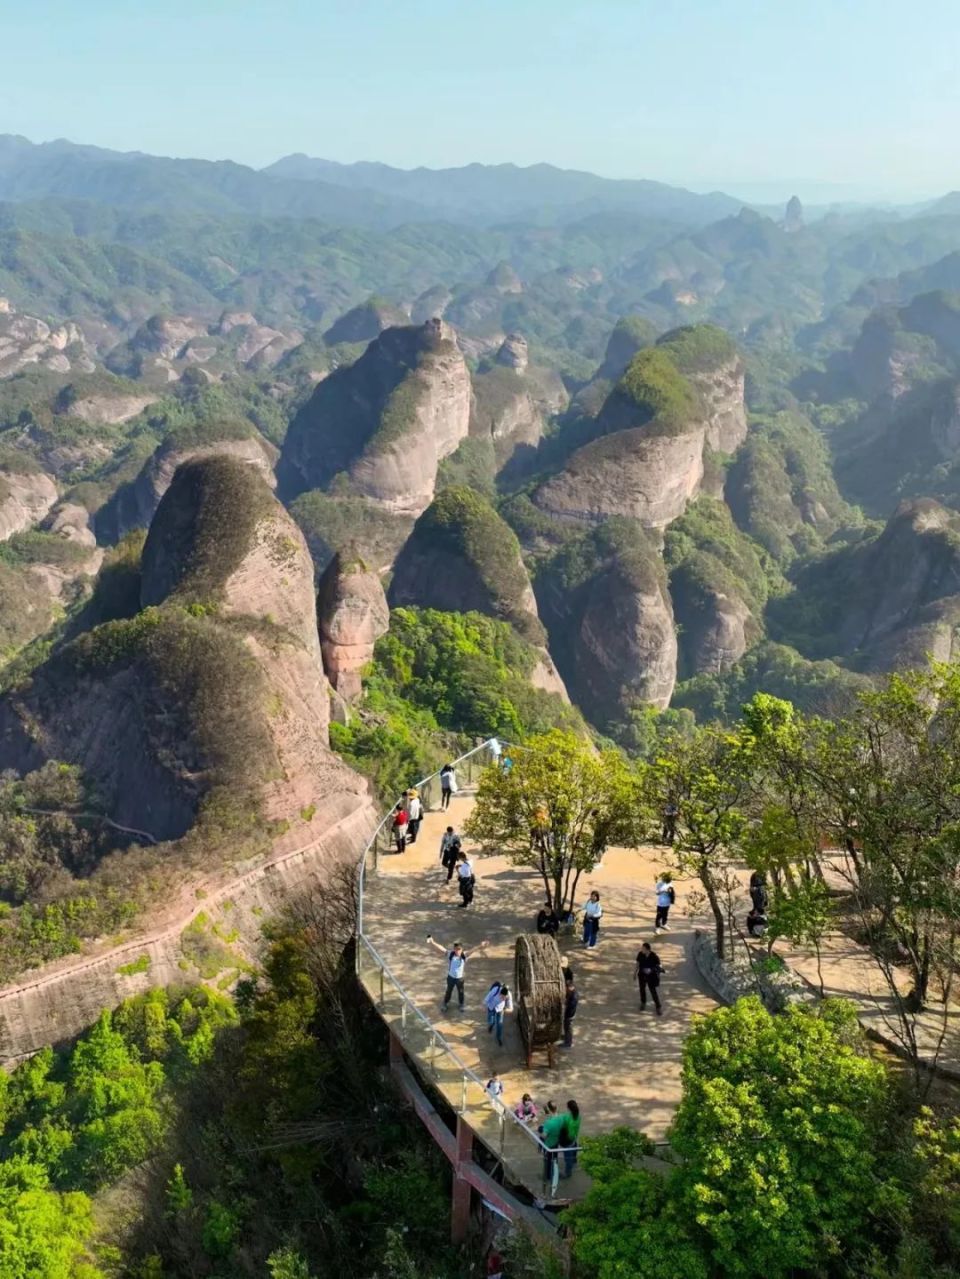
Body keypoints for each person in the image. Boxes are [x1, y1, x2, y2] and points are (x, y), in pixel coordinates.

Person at [427, 935, 489, 1012]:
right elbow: (441, 949)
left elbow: (473, 950)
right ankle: (445, 1003)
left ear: (461, 949)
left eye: (459, 949)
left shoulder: (464, 955)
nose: (457, 951)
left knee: (461, 992)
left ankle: (461, 1004)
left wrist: (480, 945)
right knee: (448, 991)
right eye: (456, 949)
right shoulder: (451, 954)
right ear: (454, 949)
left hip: (460, 978)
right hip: (451, 977)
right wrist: (433, 942)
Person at [539, 1101, 563, 1190]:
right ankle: (555, 1173)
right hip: (556, 1142)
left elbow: (544, 1136)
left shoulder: (548, 1123)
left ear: (549, 1109)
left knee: (548, 1161)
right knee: (555, 1159)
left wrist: (541, 1131)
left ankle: (548, 1176)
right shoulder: (561, 1118)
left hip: (549, 1144)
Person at [636, 942, 663, 1015]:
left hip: (651, 976)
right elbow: (637, 964)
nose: (642, 950)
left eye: (643, 949)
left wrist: (653, 970)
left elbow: (659, 965)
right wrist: (635, 972)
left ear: (647, 950)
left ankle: (658, 1006)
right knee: (642, 989)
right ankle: (643, 1003)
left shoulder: (654, 956)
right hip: (641, 975)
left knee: (653, 991)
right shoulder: (640, 954)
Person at [484, 981, 513, 1046]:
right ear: (499, 993)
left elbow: (511, 1009)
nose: (502, 999)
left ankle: (499, 1038)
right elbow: (487, 999)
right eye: (501, 997)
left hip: (501, 1010)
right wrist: (484, 1006)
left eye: (504, 998)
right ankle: (491, 1025)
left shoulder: (509, 995)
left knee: (500, 1025)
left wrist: (505, 1010)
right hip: (491, 1007)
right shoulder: (495, 990)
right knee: (491, 1022)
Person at [561, 1099, 581, 1180]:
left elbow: (562, 1126)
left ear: (568, 1108)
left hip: (568, 1140)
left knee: (567, 1158)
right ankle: (574, 1160)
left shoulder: (567, 1118)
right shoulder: (578, 1116)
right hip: (574, 1137)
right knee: (574, 1147)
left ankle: (567, 1173)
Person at [562, 979, 579, 1048]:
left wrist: (566, 1003)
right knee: (566, 1027)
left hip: (570, 1015)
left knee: (568, 1028)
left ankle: (568, 1043)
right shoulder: (572, 993)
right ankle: (566, 1039)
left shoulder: (574, 996)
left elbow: (571, 1005)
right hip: (568, 1014)